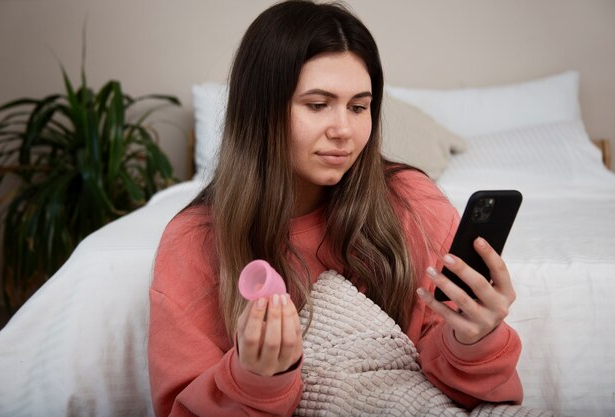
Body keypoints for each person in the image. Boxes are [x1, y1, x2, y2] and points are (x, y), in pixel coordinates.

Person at [148, 1, 523, 415]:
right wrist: (254, 380)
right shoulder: (192, 243)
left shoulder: (413, 202)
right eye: (317, 104)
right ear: (261, 110)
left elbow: (462, 391)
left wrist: (473, 339)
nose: (343, 130)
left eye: (358, 107)